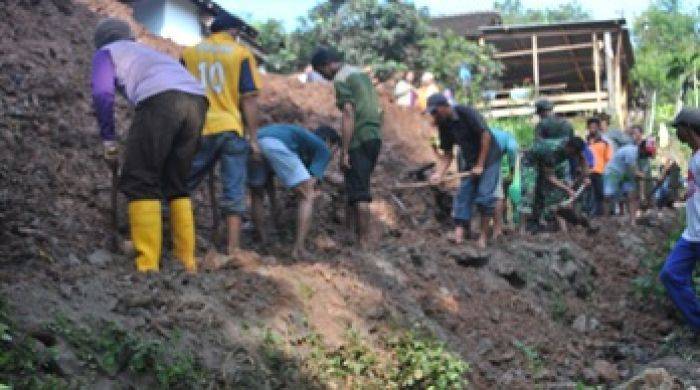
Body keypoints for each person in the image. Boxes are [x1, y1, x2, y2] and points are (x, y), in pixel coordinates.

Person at [91, 18, 207, 273]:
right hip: (197, 101)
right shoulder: (148, 52)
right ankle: (187, 261)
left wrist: (109, 141)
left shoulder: (105, 53)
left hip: (162, 100)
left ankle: (147, 266)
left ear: (101, 41)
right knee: (176, 182)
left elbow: (102, 95)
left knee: (140, 177)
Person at [181, 14, 262, 256]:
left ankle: (171, 238)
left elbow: (179, 90)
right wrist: (254, 138)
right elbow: (249, 98)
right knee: (234, 189)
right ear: (234, 31)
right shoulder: (240, 54)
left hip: (198, 128)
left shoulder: (189, 54)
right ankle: (233, 249)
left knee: (182, 184)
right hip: (230, 128)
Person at [311, 47, 383, 248]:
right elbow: (379, 109)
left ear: (326, 64)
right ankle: (350, 235)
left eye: (320, 72)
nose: (323, 77)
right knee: (354, 184)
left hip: (359, 138)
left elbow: (349, 113)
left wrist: (344, 149)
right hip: (374, 135)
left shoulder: (341, 79)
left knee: (360, 192)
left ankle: (363, 243)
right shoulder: (360, 74)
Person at [248, 124, 340, 258]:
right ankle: (299, 249)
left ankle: (263, 241)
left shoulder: (301, 142)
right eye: (335, 150)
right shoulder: (323, 148)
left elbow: (270, 181)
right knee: (307, 195)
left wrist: (275, 206)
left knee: (257, 194)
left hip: (254, 142)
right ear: (329, 142)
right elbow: (310, 185)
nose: (333, 155)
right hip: (275, 144)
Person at [427, 93, 502, 249]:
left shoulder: (466, 113)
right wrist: (439, 174)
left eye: (435, 112)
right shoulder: (444, 125)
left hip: (489, 157)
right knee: (463, 194)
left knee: (484, 196)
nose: (434, 116)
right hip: (471, 160)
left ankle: (483, 237)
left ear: (444, 106)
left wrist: (480, 165)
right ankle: (459, 235)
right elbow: (448, 153)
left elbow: (485, 136)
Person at [659, 108, 700, 332]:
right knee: (670, 275)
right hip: (692, 233)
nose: (677, 134)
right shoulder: (695, 157)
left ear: (689, 129)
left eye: (679, 129)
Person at [530, 137, 596, 234]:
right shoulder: (551, 151)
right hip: (534, 162)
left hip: (556, 164)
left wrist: (586, 176)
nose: (574, 155)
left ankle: (565, 230)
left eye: (576, 153)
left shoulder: (575, 147)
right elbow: (550, 177)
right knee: (536, 194)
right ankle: (528, 228)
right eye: (573, 153)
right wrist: (567, 189)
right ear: (568, 148)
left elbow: (582, 159)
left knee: (561, 199)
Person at [602, 125, 655, 223]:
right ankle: (605, 219)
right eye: (647, 153)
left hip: (626, 175)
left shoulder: (644, 160)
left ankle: (632, 221)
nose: (647, 156)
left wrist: (642, 195)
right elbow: (635, 172)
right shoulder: (631, 152)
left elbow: (640, 177)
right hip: (614, 172)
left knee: (631, 196)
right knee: (608, 195)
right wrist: (641, 176)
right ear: (642, 149)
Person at [491, 129, 519, 239]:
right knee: (499, 195)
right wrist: (512, 172)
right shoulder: (509, 139)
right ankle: (498, 227)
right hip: (491, 162)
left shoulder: (497, 134)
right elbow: (512, 150)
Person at [586, 117, 613, 216]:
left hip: (600, 171)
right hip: (587, 172)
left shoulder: (604, 142)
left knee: (600, 194)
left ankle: (602, 215)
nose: (592, 129)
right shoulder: (586, 142)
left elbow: (608, 158)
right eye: (590, 127)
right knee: (588, 194)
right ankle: (590, 214)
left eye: (594, 127)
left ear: (598, 128)